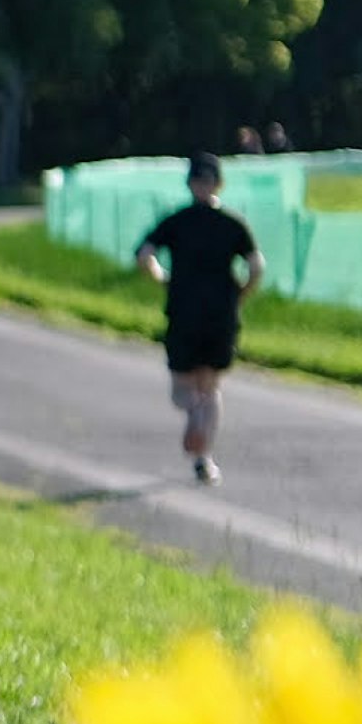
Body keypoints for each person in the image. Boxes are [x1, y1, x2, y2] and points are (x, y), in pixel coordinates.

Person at [133, 152, 262, 484]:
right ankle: (205, 459)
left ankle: (192, 414)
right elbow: (256, 265)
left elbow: (145, 254)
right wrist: (241, 294)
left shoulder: (176, 222)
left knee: (181, 390)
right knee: (211, 386)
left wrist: (161, 277)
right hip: (221, 313)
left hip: (184, 309)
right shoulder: (233, 224)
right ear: (219, 183)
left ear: (190, 184)